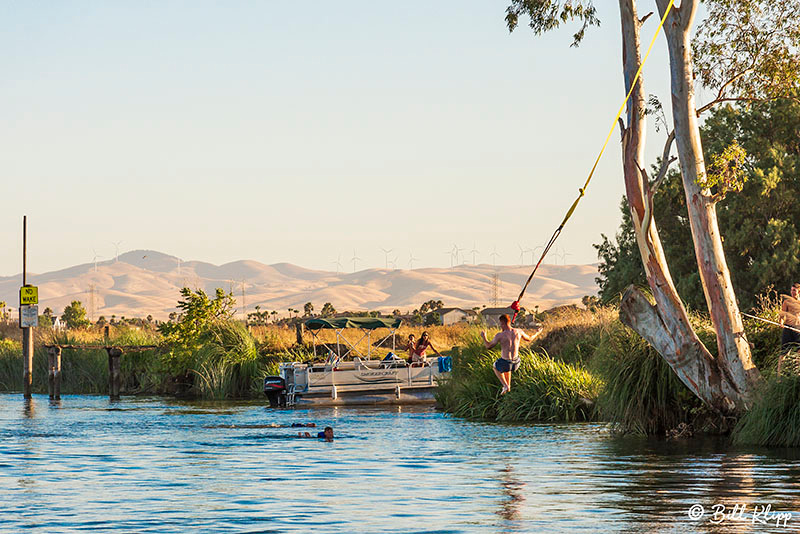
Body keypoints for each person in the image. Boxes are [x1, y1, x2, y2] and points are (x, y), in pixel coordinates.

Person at [481, 314, 543, 395]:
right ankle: (508, 387)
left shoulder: (500, 335)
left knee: (495, 366)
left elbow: (488, 346)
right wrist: (537, 333)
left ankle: (505, 385)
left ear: (502, 323)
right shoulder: (519, 331)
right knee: (507, 369)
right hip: (516, 363)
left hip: (505, 362)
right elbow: (530, 338)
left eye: (500, 324)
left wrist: (484, 337)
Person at [780, 283, 800, 350]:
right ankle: (781, 361)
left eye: (794, 290)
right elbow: (782, 315)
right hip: (788, 328)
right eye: (791, 290)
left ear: (799, 292)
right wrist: (781, 322)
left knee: (799, 350)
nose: (792, 292)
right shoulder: (787, 302)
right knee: (784, 350)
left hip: (798, 328)